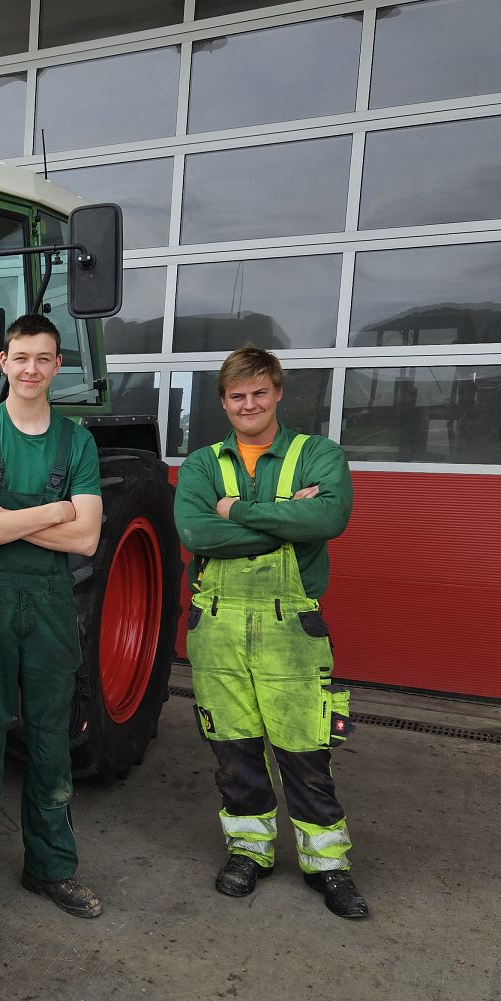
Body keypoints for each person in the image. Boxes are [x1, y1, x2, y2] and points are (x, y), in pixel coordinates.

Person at [173, 345, 368, 919]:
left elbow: (329, 517)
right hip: (217, 628)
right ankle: (249, 852)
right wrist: (286, 523)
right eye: (238, 396)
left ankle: (328, 866)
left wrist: (234, 511)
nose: (249, 404)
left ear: (278, 393)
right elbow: (195, 533)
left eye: (260, 392)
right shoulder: (202, 466)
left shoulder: (318, 454)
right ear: (224, 402)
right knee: (232, 748)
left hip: (292, 626)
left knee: (305, 749)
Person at [0, 313, 104, 926]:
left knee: (51, 738)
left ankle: (52, 868)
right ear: (2, 364)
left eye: (44, 358)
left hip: (53, 604)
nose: (31, 368)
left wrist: (7, 513)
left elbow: (86, 539)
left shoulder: (76, 440)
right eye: (20, 357)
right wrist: (54, 510)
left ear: (58, 366)